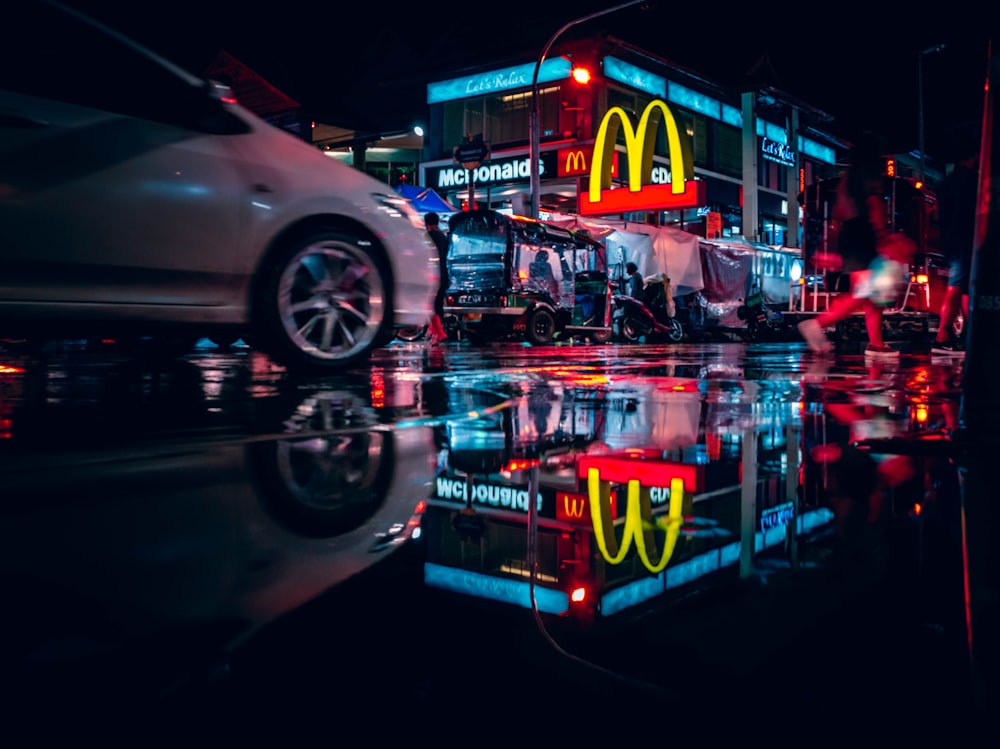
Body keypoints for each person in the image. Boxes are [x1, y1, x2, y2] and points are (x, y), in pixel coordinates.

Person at [797, 133, 908, 362]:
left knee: (871, 295)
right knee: (865, 293)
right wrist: (883, 236)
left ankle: (876, 344)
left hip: (851, 233)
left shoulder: (847, 178)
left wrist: (834, 247)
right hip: (864, 233)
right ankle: (816, 324)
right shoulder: (870, 173)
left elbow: (838, 214)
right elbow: (875, 205)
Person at [932, 127, 980, 355]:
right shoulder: (971, 181)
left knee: (964, 288)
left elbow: (940, 214)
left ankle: (970, 334)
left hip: (951, 240)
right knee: (957, 286)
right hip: (965, 239)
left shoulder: (947, 182)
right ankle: (942, 336)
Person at [424, 212, 449, 344]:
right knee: (437, 304)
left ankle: (439, 332)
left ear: (425, 223)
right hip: (443, 275)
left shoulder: (428, 236)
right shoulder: (443, 236)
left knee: (430, 305)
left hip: (432, 275)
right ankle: (434, 331)